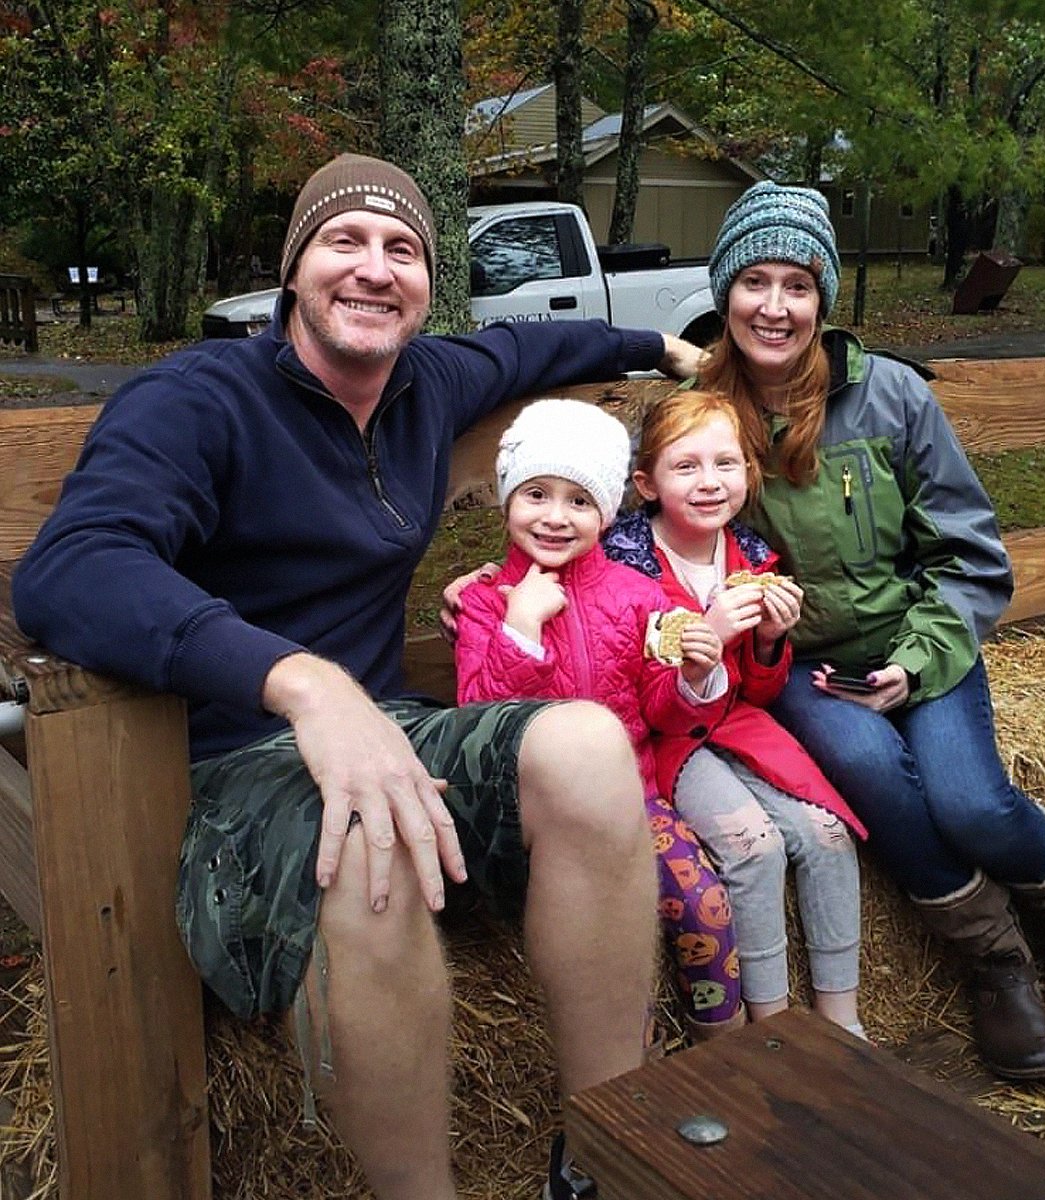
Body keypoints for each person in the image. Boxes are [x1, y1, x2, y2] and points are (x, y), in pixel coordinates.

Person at [11, 153, 704, 1200]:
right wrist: (299, 681)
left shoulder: (432, 382)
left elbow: (533, 345)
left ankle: (602, 1155)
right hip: (228, 765)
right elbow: (73, 570)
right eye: (344, 241)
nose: (374, 269)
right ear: (294, 271)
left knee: (585, 743)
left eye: (403, 250)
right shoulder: (200, 402)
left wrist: (657, 345)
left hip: (390, 722)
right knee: (370, 854)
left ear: (428, 284)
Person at [699, 181, 1045, 1080]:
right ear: (722, 289)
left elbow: (970, 555)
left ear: (824, 298)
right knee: (867, 773)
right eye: (755, 282)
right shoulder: (704, 414)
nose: (775, 307)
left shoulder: (888, 395)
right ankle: (994, 958)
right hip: (803, 666)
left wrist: (917, 659)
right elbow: (634, 532)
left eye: (799, 284)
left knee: (969, 802)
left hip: (918, 639)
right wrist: (503, 577)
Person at [450, 398, 750, 1039]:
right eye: (536, 494)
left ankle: (721, 1045)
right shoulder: (483, 604)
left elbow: (659, 712)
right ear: (506, 500)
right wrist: (521, 626)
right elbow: (480, 721)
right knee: (597, 940)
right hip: (536, 817)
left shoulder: (637, 596)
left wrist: (695, 676)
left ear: (606, 512)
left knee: (703, 903)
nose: (556, 517)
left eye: (579, 501)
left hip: (634, 799)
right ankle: (622, 1060)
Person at [601, 387, 869, 1038]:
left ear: (750, 474)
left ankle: (843, 1021)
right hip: (669, 739)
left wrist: (773, 642)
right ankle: (770, 1030)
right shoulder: (625, 568)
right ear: (647, 482)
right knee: (755, 846)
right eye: (685, 467)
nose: (709, 482)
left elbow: (757, 691)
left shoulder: (751, 558)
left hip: (736, 727)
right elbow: (648, 701)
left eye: (726, 464)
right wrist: (710, 632)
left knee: (829, 834)